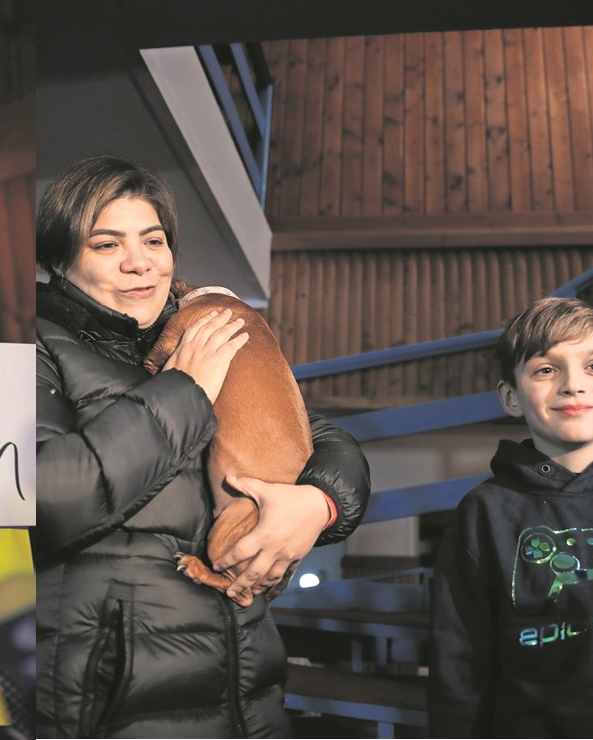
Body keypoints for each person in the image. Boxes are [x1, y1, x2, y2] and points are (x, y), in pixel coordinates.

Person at [35, 155, 370, 738]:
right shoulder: (31, 344)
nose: (140, 262)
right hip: (114, 703)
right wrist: (184, 389)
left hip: (248, 698)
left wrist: (319, 503)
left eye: (154, 240)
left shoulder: (202, 332)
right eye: (107, 244)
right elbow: (45, 498)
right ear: (59, 260)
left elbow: (324, 439)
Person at [429, 296, 593, 737]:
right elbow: (460, 660)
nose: (573, 385)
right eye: (545, 369)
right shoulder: (484, 512)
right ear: (511, 397)